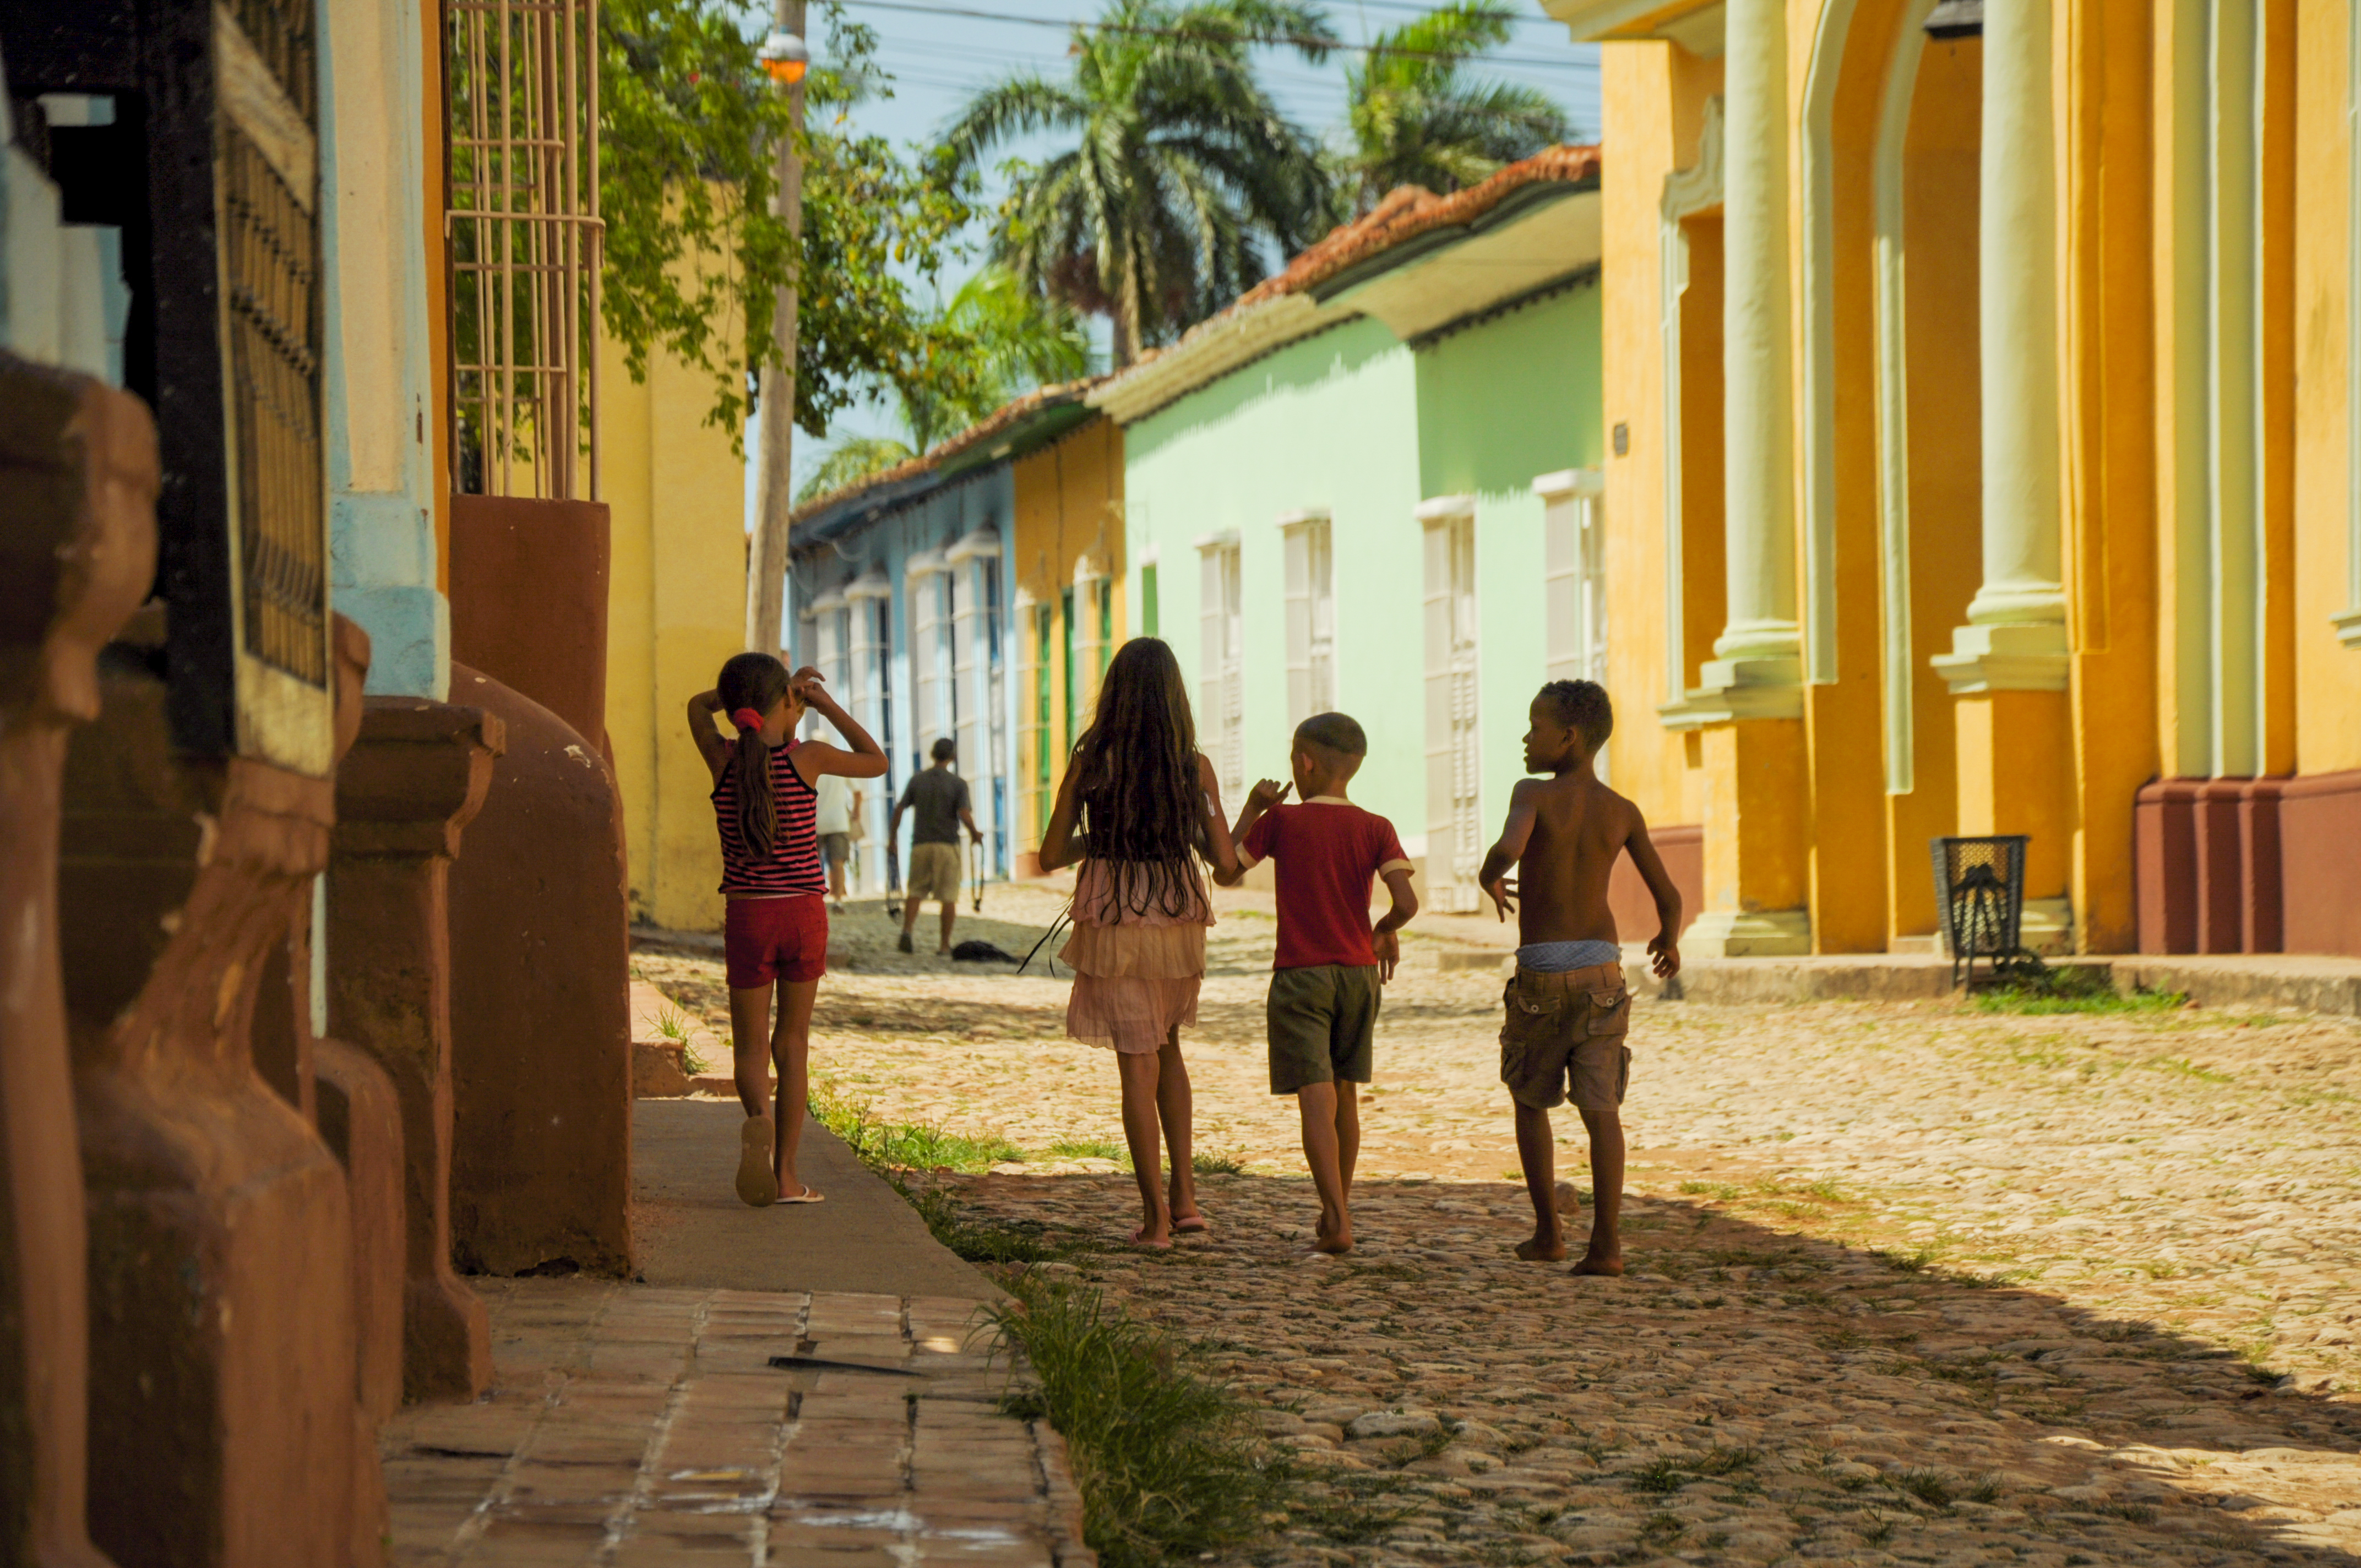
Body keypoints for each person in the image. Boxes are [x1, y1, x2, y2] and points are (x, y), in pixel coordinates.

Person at [1038, 638, 1242, 1248]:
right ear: (1174, 696)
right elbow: (1225, 862)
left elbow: (1050, 854)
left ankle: (1153, 1217)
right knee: (1169, 1047)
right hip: (1177, 911)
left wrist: (1097, 840)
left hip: (1117, 911)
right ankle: (1186, 1201)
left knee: (1137, 1061)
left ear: (1115, 693)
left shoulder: (1091, 761)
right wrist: (1252, 810)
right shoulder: (1192, 766)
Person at [1476, 679, 1682, 1276]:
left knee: (1528, 1099)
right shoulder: (1622, 810)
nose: (1525, 737)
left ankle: (1548, 1233)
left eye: (1535, 727)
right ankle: (1608, 1246)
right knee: (1602, 1111)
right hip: (1602, 972)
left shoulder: (1532, 794)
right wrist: (1668, 941)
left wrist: (1489, 875)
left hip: (1542, 975)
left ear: (1566, 738)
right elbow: (1668, 897)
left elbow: (1508, 848)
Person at [689, 654, 885, 1208]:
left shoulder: (721, 758)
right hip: (801, 915)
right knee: (791, 1043)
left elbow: (694, 708)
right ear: (787, 703)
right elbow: (876, 761)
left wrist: (737, 699)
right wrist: (820, 702)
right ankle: (786, 1176)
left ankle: (758, 1120)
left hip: (748, 914)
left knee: (750, 1046)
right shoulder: (809, 758)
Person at [1217, 712, 1417, 1255]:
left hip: (1300, 976)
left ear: (1304, 762)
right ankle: (1339, 1208)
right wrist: (1384, 930)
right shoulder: (1377, 827)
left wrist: (1252, 808)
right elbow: (1406, 902)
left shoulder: (1280, 821)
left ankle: (1334, 1213)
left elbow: (1223, 871)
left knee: (1314, 1095)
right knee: (1346, 1093)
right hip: (1358, 976)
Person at [891, 738, 982, 954]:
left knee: (915, 891)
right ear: (953, 757)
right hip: (946, 846)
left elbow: (900, 809)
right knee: (948, 897)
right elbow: (963, 813)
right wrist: (975, 834)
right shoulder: (958, 783)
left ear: (933, 755)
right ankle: (943, 945)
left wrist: (892, 839)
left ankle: (907, 931)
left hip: (921, 845)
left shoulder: (917, 780)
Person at [813, 770, 862, 911]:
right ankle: (838, 901)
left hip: (814, 821)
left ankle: (814, 898)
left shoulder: (809, 762)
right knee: (838, 863)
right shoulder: (839, 764)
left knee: (811, 862)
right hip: (838, 822)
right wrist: (856, 813)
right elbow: (858, 792)